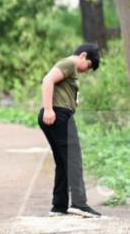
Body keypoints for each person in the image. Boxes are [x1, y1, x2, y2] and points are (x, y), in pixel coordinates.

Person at [38, 43, 102, 218]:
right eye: (88, 66)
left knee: (63, 160)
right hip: (58, 115)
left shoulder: (72, 69)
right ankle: (79, 203)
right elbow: (47, 80)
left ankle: (59, 206)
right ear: (83, 56)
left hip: (61, 114)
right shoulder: (68, 63)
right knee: (74, 158)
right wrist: (49, 109)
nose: (86, 70)